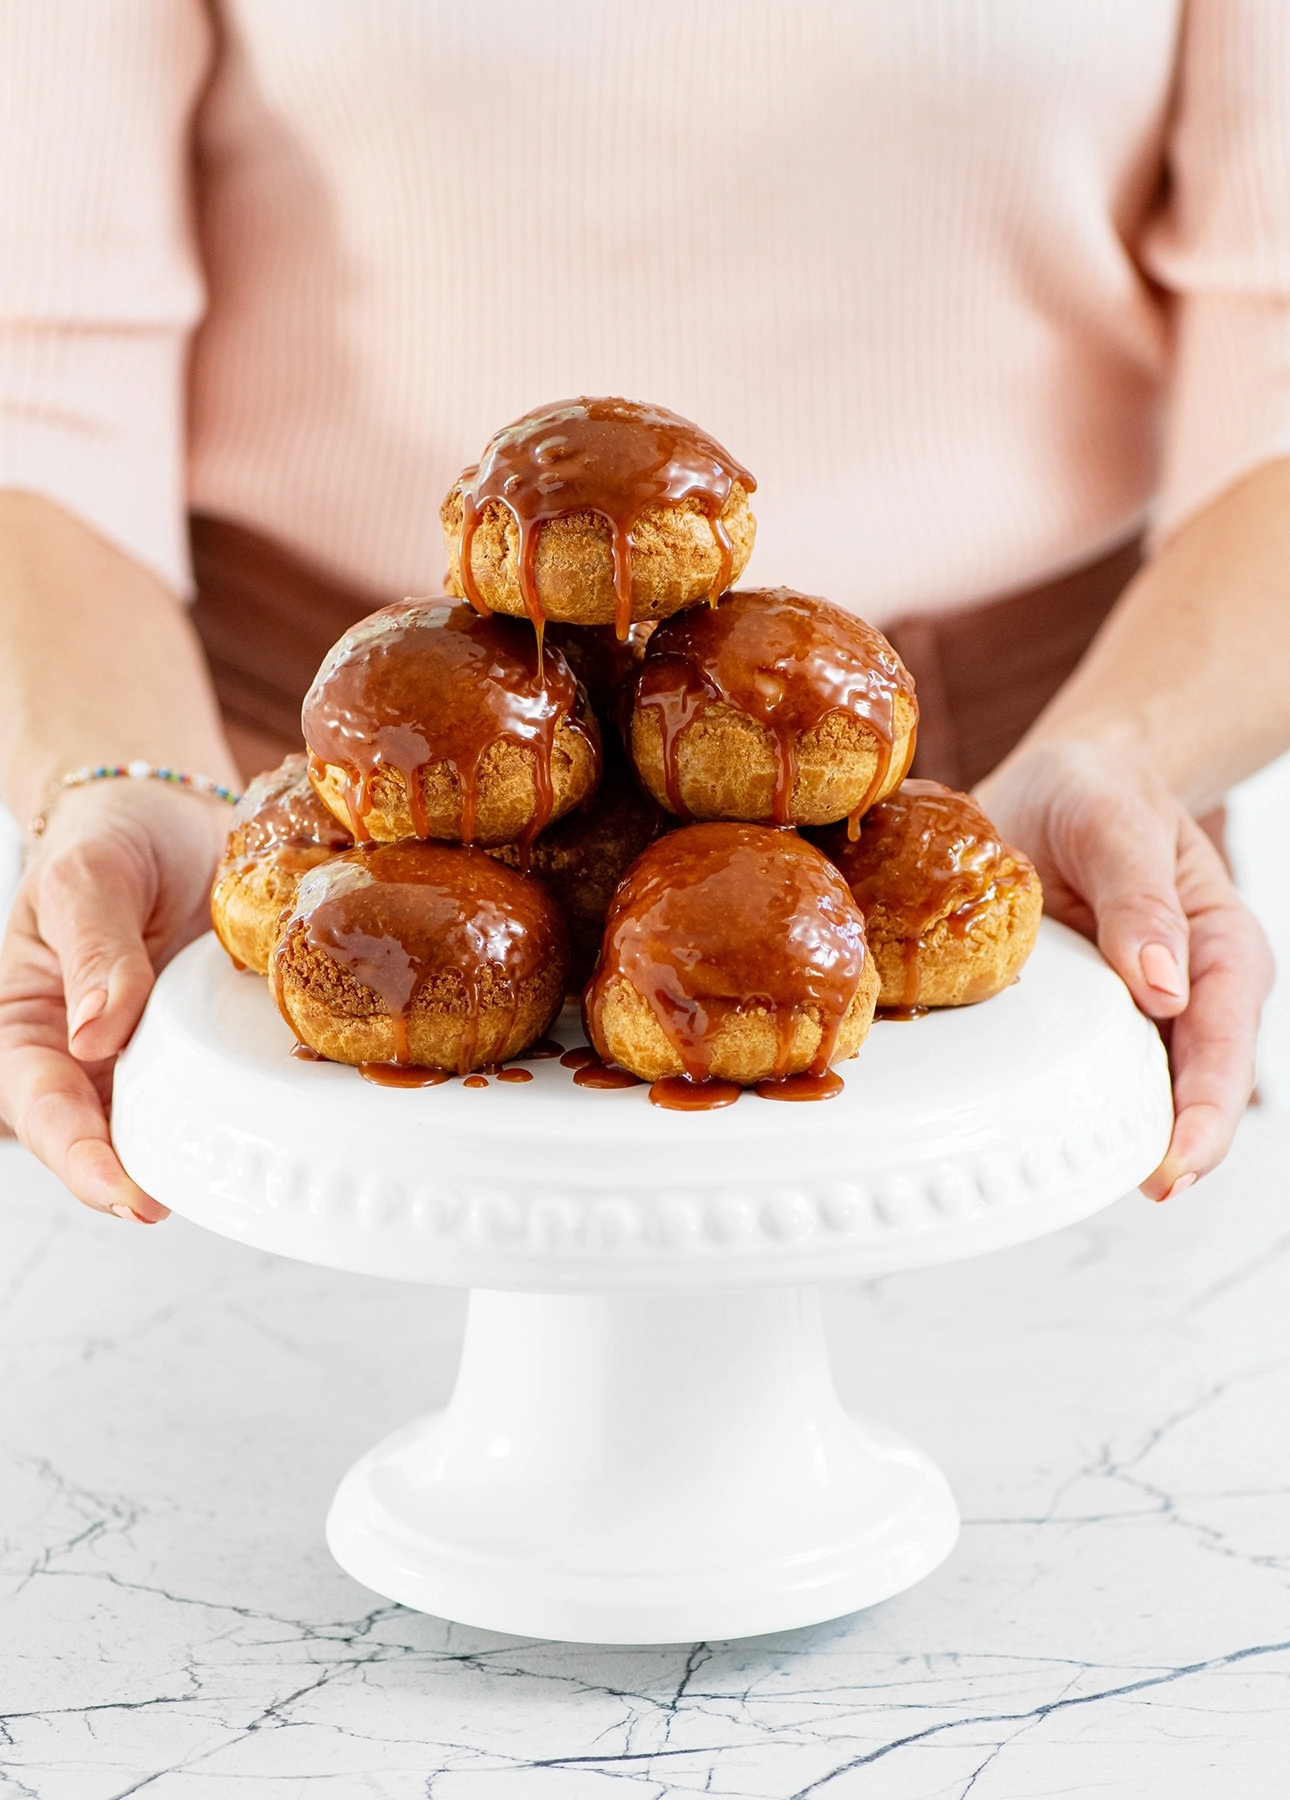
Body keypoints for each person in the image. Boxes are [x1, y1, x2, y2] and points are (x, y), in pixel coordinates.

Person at [0, 3, 1281, 1224]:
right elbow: (35, 383)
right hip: (317, 775)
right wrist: (114, 767)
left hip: (1059, 776)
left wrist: (1125, 752)